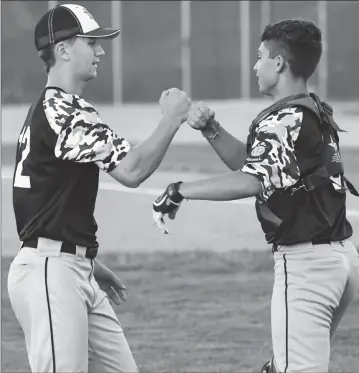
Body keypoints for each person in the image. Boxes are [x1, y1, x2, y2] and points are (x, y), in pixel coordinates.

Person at [152, 19, 359, 373]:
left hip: (307, 268)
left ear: (279, 63)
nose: (255, 64)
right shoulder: (309, 109)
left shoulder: (283, 119)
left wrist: (180, 191)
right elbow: (257, 164)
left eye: (261, 56)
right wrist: (211, 130)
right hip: (340, 261)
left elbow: (251, 180)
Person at [7, 4, 190, 373]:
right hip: (51, 271)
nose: (101, 51)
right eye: (91, 43)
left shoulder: (57, 107)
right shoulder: (63, 110)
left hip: (67, 266)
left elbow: (48, 199)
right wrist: (172, 119)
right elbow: (131, 170)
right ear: (62, 50)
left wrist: (84, 257)